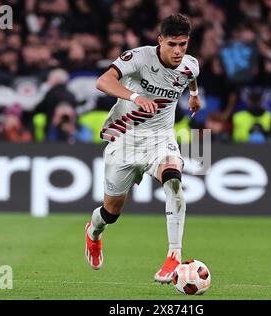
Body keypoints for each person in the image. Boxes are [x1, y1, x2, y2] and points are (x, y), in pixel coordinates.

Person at [84, 13, 201, 284]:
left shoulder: (190, 65)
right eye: (172, 44)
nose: (178, 51)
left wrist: (194, 97)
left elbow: (192, 79)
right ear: (160, 40)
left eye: (183, 44)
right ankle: (93, 232)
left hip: (161, 139)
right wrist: (136, 96)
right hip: (125, 140)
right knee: (110, 212)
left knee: (173, 179)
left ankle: (174, 254)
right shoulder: (138, 57)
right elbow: (103, 81)